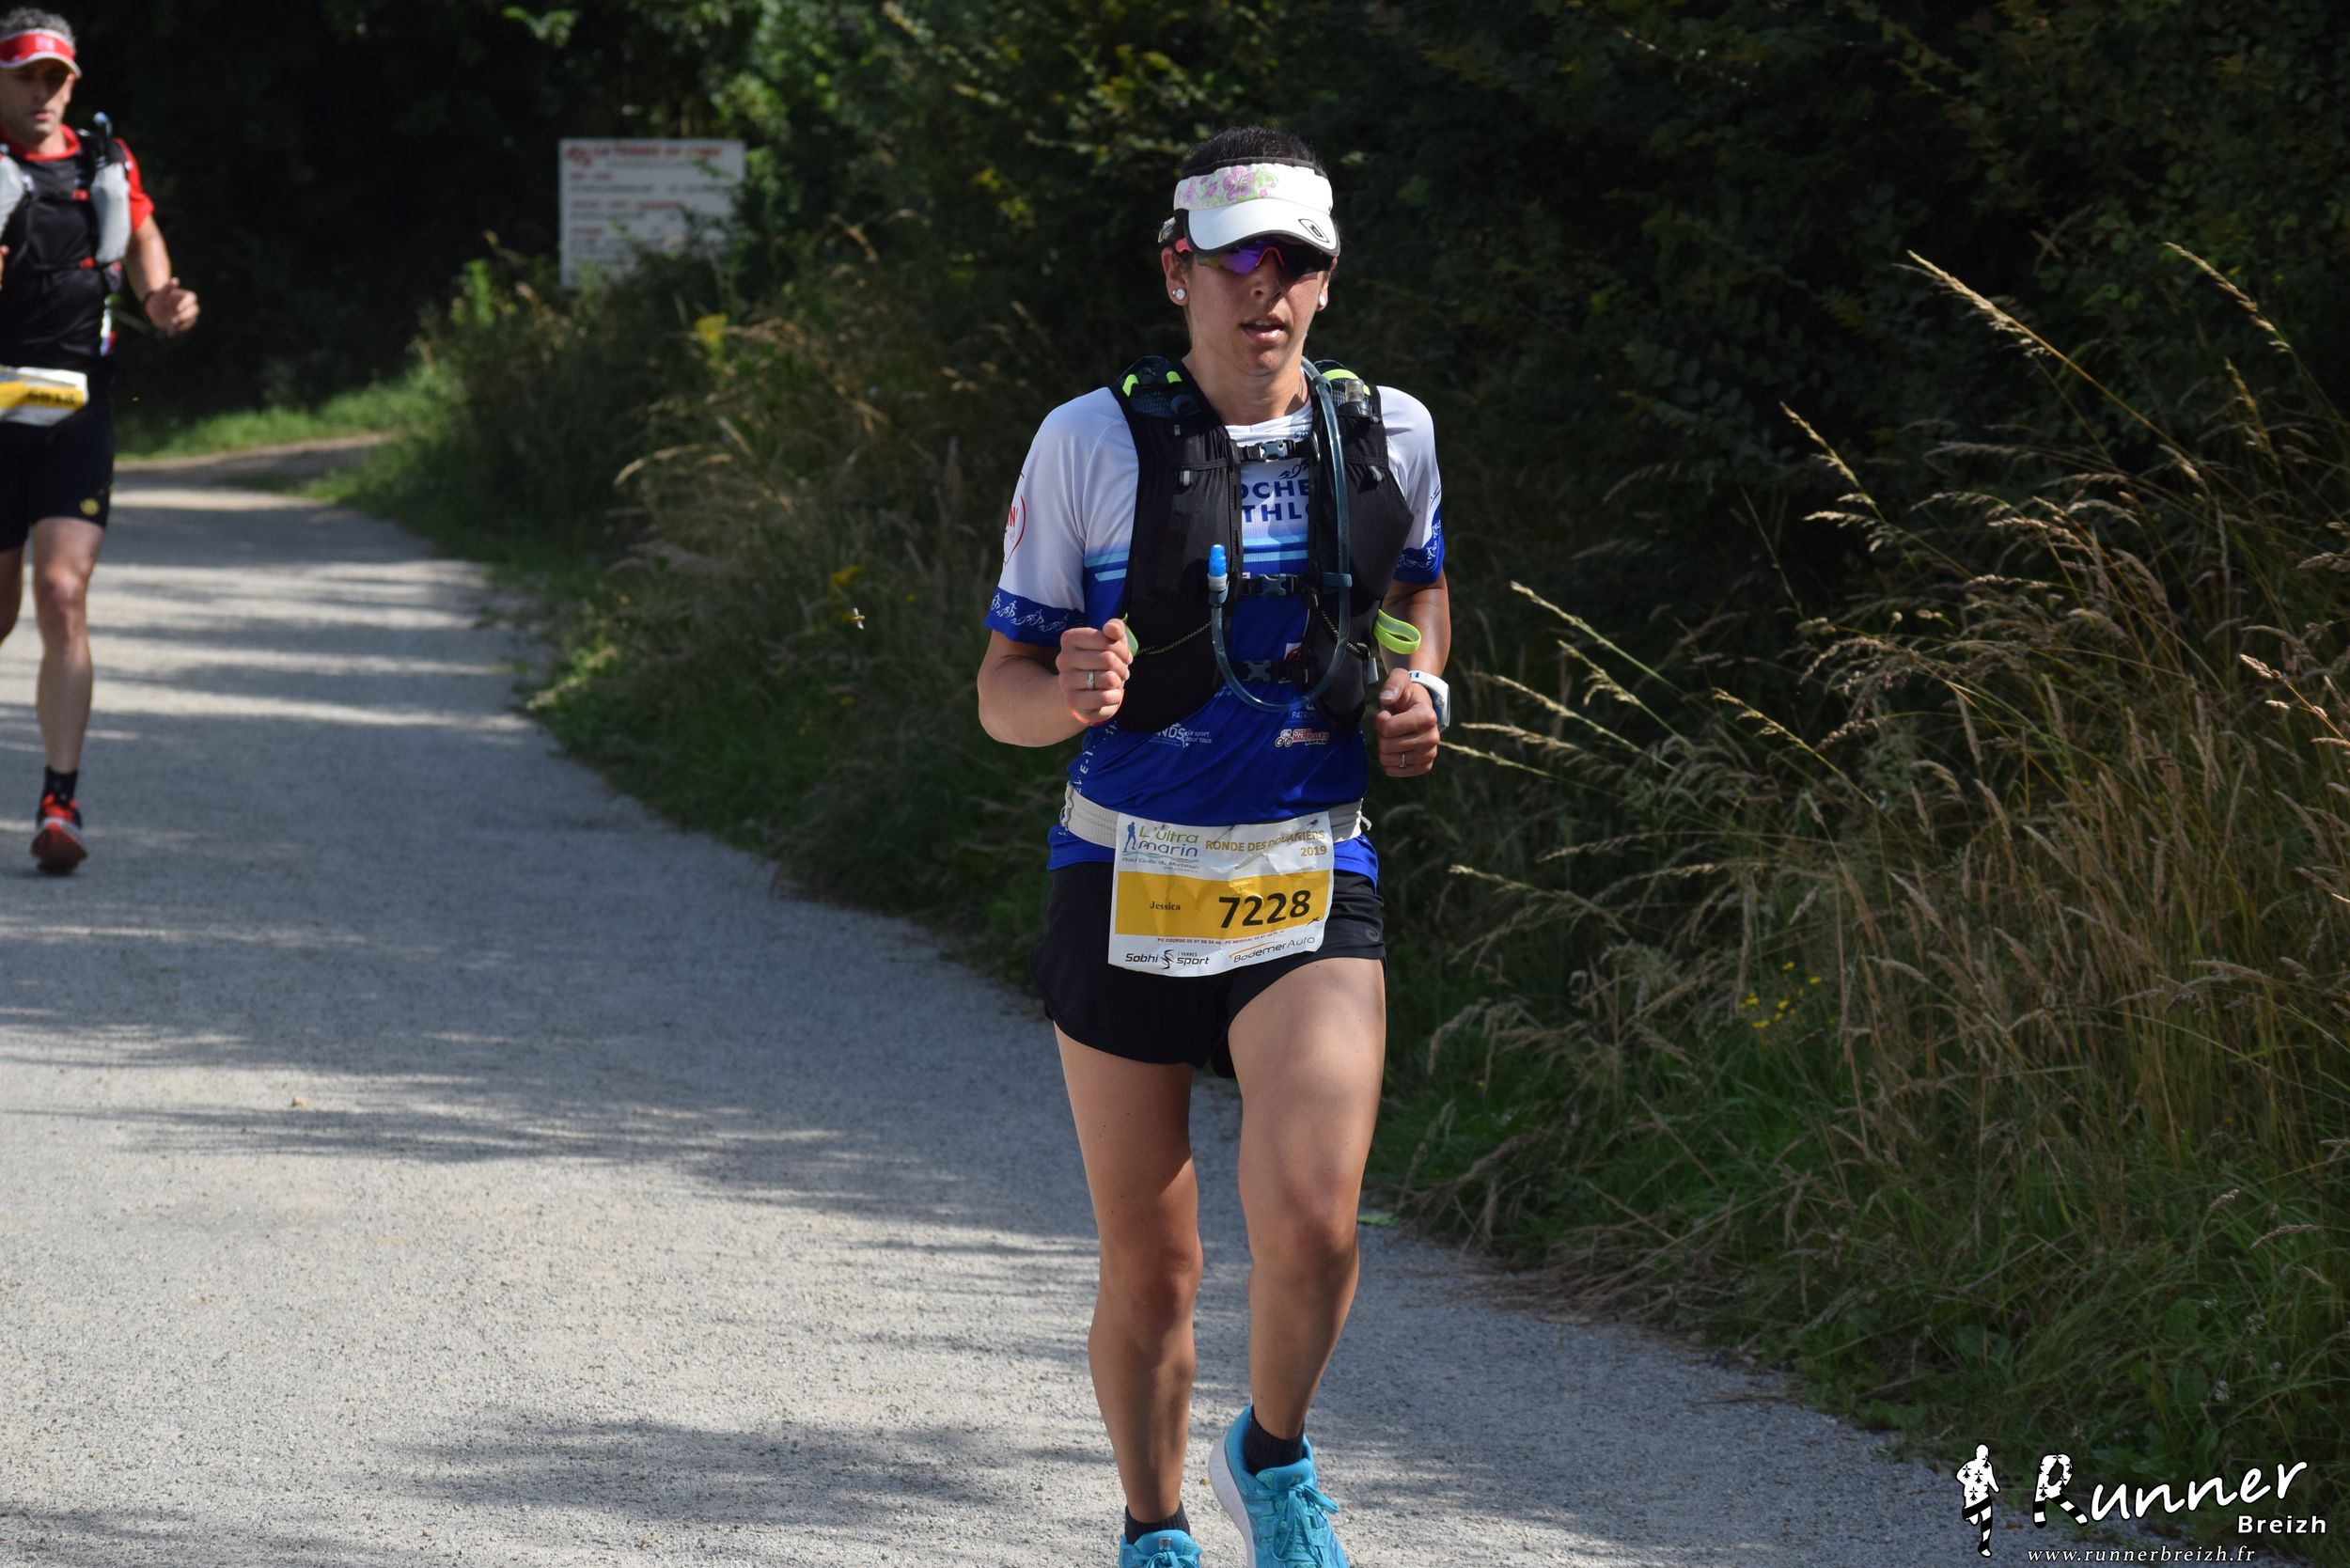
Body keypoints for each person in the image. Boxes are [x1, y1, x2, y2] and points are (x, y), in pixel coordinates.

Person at [976, 124, 1450, 1568]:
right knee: (1158, 1268)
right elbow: (999, 694)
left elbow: (1416, 600)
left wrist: (1421, 694)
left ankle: (1275, 1455)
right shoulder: (1088, 443)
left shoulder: (1391, 433)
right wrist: (1066, 693)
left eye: (1296, 261)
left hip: (1307, 868)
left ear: (1327, 280)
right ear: (1178, 269)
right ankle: (1156, 1528)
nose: (1267, 290)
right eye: (1239, 259)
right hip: (1126, 873)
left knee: (1313, 1224)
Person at [0, 8, 197, 872]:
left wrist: (160, 297)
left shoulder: (103, 161)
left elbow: (141, 229)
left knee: (62, 593)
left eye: (56, 78)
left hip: (77, 407)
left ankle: (61, 801)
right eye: (25, 77)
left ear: (73, 84)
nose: (41, 93)